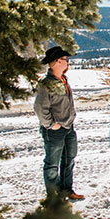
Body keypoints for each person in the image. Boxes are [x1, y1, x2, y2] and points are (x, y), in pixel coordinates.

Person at [34, 45, 84, 201]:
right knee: (52, 164)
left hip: (68, 127)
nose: (67, 62)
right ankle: (53, 196)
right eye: (65, 59)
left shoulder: (63, 79)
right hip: (54, 130)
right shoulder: (46, 83)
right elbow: (40, 108)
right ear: (56, 62)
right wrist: (51, 124)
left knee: (69, 159)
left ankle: (66, 190)